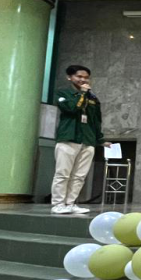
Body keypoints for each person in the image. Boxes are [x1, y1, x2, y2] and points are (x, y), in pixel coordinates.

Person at [52, 65, 110, 215]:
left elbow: (96, 120)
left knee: (79, 176)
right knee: (63, 174)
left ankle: (70, 203)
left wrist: (100, 139)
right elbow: (71, 109)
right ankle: (58, 204)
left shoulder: (93, 98)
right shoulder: (62, 93)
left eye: (86, 77)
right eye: (79, 76)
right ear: (69, 77)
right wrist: (82, 94)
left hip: (87, 140)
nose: (83, 80)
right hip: (69, 138)